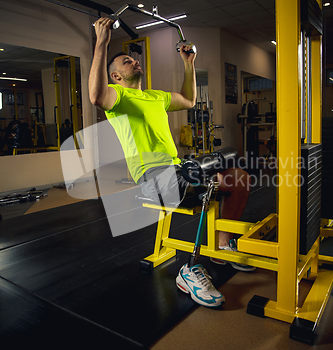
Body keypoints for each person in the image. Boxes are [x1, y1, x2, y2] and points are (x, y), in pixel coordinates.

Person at [89, 17, 254, 308]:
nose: (134, 62)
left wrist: (189, 63)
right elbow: (95, 95)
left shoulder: (155, 96)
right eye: (127, 62)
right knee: (203, 174)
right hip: (152, 177)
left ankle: (220, 246)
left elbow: (189, 101)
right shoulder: (118, 96)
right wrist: (102, 43)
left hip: (179, 168)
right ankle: (189, 272)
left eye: (132, 59)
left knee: (238, 176)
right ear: (116, 76)